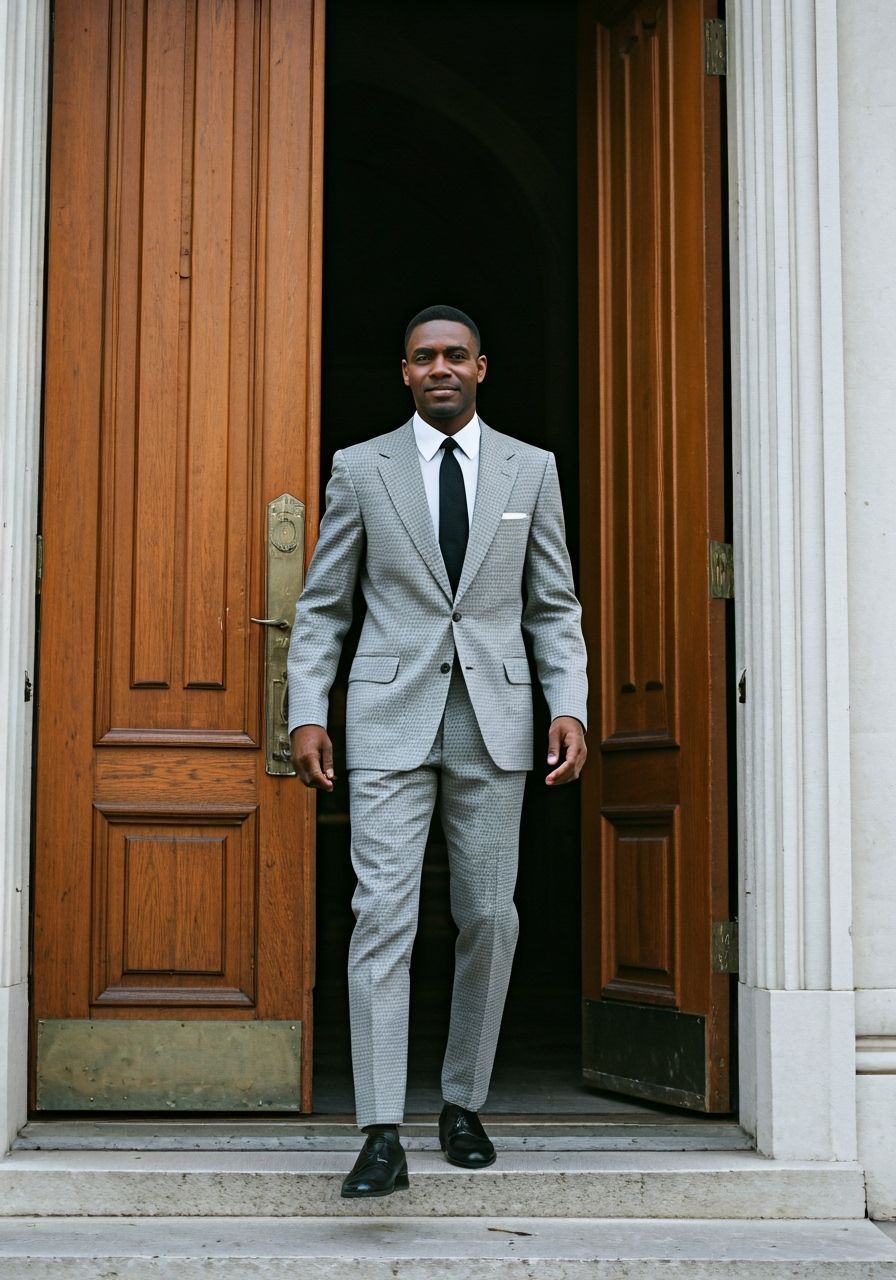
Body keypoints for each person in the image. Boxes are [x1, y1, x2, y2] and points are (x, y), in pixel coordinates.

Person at [287, 304, 588, 1198]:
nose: (441, 368)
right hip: (389, 719)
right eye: (425, 357)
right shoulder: (361, 468)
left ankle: (463, 1102)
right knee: (383, 914)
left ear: (481, 368)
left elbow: (553, 606)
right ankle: (381, 1130)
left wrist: (568, 705)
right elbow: (325, 606)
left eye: (456, 355)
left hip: (497, 721)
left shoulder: (531, 469)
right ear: (406, 372)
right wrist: (307, 712)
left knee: (490, 917)